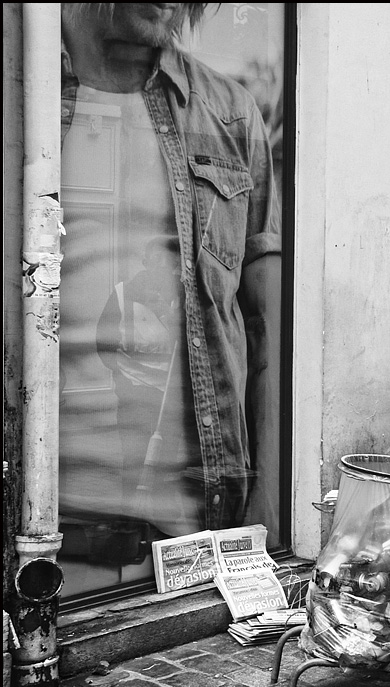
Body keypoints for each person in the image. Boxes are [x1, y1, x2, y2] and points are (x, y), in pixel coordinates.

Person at [58, 4, 281, 548]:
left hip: (196, 515)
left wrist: (272, 494)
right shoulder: (19, 89)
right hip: (40, 507)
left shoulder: (229, 113)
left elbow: (268, 319)